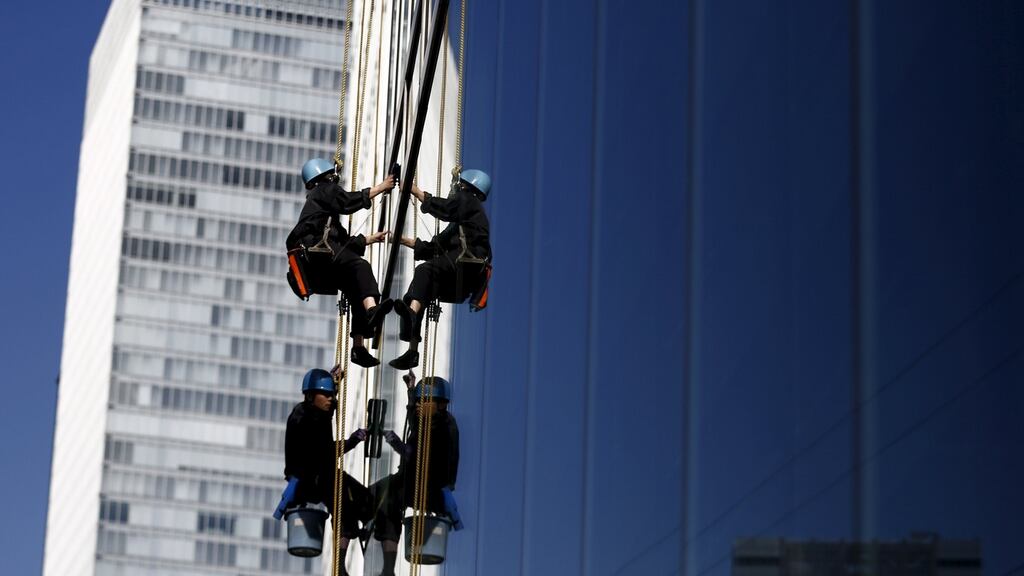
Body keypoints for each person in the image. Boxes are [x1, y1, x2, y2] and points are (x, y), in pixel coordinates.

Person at [287, 158, 395, 367]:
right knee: (360, 266)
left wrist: (369, 239)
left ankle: (358, 347)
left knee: (355, 287)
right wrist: (382, 187)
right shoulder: (325, 189)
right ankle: (372, 310)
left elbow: (343, 242)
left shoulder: (321, 213)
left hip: (316, 263)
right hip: (318, 252)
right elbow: (347, 201)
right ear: (326, 176)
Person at [389, 169, 492, 369]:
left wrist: (415, 191)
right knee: (423, 293)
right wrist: (399, 240)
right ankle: (412, 351)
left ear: (466, 186)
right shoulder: (461, 223)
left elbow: (445, 208)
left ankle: (411, 313)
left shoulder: (468, 201)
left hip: (467, 263)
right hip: (460, 275)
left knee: (424, 271)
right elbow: (432, 248)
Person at [283, 366, 372, 575]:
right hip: (312, 479)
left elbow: (326, 415)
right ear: (310, 396)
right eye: (326, 394)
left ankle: (345, 558)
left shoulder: (312, 411)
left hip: (319, 475)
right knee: (352, 503)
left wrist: (335, 384)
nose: (331, 399)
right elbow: (325, 451)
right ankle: (340, 565)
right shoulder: (304, 418)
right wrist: (351, 441)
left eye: (331, 395)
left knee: (357, 503)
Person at [370, 371, 460, 575]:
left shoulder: (444, 427)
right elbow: (413, 416)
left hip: (429, 488)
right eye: (418, 401)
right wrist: (411, 390)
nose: (419, 405)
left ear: (441, 404)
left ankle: (388, 567)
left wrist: (398, 445)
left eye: (424, 401)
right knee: (375, 496)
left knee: (386, 499)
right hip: (413, 482)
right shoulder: (427, 422)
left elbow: (423, 456)